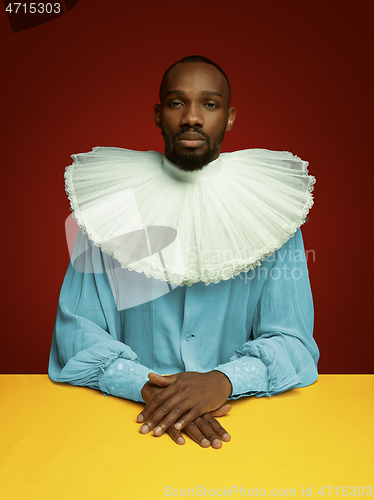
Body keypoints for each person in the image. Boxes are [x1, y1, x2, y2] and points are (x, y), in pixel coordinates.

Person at [49, 55, 319, 449]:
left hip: (247, 427)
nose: (192, 117)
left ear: (229, 117)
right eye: (178, 103)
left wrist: (225, 381)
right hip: (127, 424)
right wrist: (148, 387)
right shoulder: (110, 206)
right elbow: (76, 332)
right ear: (159, 115)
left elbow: (294, 343)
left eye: (209, 104)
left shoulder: (271, 210)